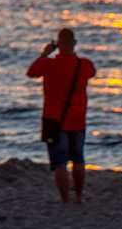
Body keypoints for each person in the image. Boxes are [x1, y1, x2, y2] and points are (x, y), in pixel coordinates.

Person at [26, 29, 97, 205]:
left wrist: (45, 53)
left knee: (60, 164)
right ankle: (79, 196)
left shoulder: (48, 64)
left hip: (54, 120)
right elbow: (92, 73)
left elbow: (31, 72)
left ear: (58, 45)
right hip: (77, 119)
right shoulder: (84, 65)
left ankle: (65, 199)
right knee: (79, 160)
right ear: (74, 43)